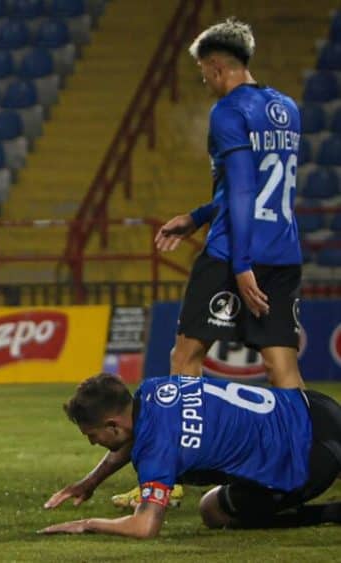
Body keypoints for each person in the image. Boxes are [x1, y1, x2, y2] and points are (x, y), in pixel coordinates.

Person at [118, 18, 305, 509]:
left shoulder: (229, 113)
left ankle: (173, 472)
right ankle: (300, 468)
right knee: (281, 365)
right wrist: (197, 217)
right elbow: (258, 185)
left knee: (186, 357)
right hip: (283, 253)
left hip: (232, 255)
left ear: (218, 66)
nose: (203, 79)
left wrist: (239, 264)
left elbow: (243, 188)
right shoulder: (286, 108)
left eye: (203, 71)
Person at [41, 373, 341, 538]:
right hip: (315, 407)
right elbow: (134, 440)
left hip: (311, 458)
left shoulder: (156, 452)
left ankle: (329, 513)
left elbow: (145, 527)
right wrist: (90, 482)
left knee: (212, 510)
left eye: (92, 435)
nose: (93, 444)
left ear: (112, 425)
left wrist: (88, 523)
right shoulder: (154, 389)